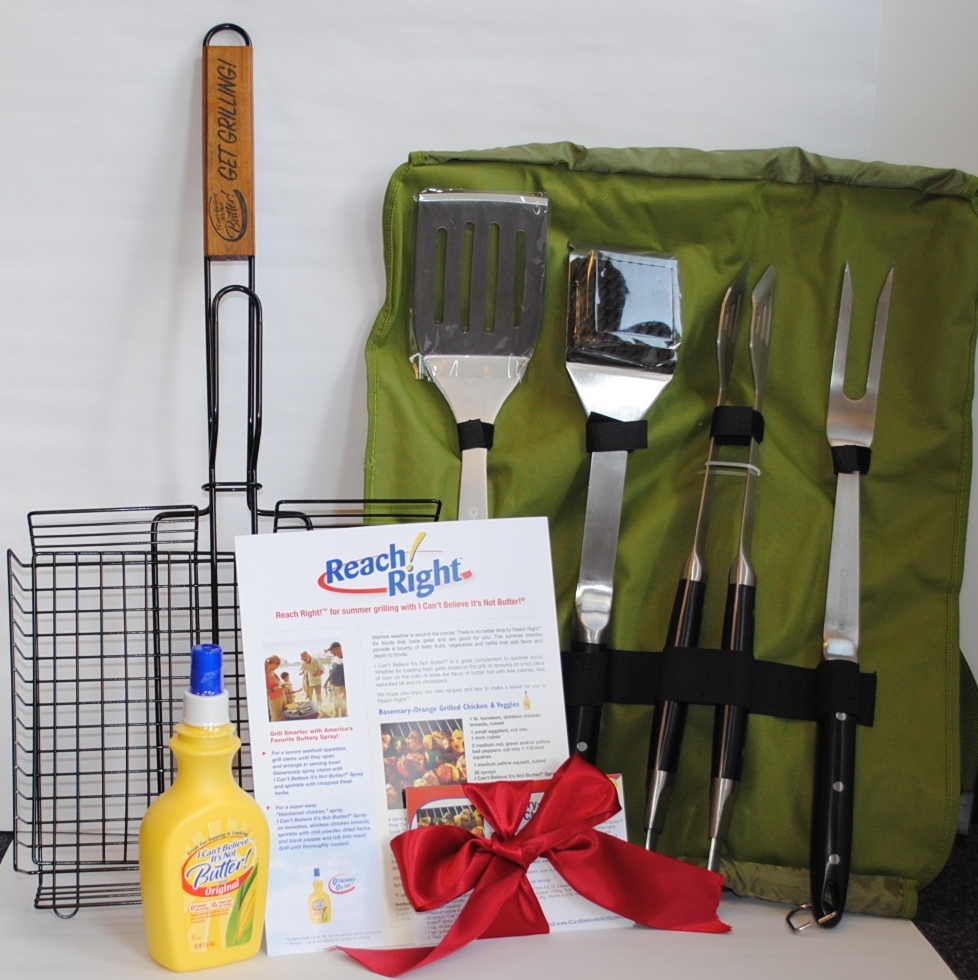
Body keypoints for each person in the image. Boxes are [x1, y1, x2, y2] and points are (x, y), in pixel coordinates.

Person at [328, 642, 346, 716]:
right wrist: (327, 682)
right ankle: (336, 715)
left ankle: (344, 716)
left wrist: (345, 689)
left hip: (342, 686)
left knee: (343, 704)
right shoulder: (334, 659)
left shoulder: (346, 658)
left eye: (332, 651)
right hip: (334, 685)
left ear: (338, 649)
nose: (331, 653)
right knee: (335, 703)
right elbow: (332, 672)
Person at [265, 656, 285, 722]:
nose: (277, 667)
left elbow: (278, 684)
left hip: (282, 697)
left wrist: (283, 687)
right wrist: (273, 689)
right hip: (274, 700)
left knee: (284, 717)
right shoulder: (264, 674)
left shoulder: (273, 672)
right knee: (276, 719)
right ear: (271, 664)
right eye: (276, 665)